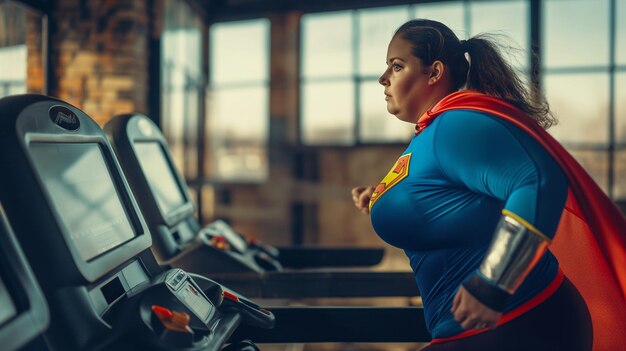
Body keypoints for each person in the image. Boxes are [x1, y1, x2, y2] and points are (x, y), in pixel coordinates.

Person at [351, 19, 626, 351]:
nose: (383, 79)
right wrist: (382, 197)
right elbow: (445, 194)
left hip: (522, 322)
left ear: (434, 72)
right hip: (489, 326)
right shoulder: (434, 131)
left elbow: (539, 182)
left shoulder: (456, 125)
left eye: (397, 66)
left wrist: (493, 282)